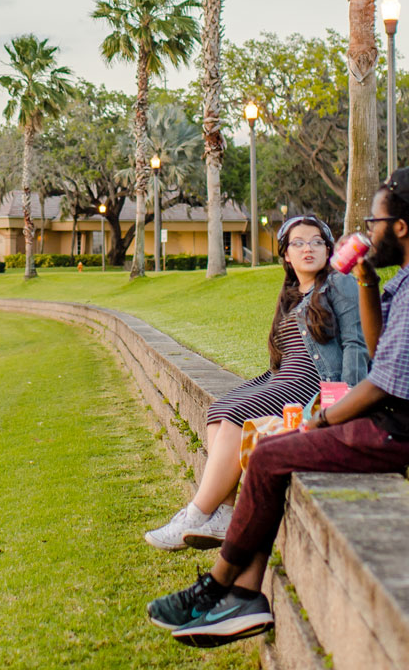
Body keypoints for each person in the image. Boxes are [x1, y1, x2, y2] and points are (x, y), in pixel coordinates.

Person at [145, 169, 409, 647]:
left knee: (270, 455)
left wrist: (318, 422)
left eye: (374, 219)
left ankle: (219, 589)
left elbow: (385, 382)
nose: (367, 229)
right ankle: (243, 596)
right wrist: (365, 281)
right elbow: (385, 351)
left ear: (400, 227)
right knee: (273, 454)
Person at [144, 214, 369, 552]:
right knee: (219, 410)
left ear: (328, 249)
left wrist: (345, 399)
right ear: (286, 257)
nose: (308, 248)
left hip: (314, 382)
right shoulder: (292, 296)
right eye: (298, 243)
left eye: (316, 241)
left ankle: (195, 514)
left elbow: (355, 342)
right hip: (284, 378)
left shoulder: (339, 284)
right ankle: (224, 513)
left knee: (241, 414)